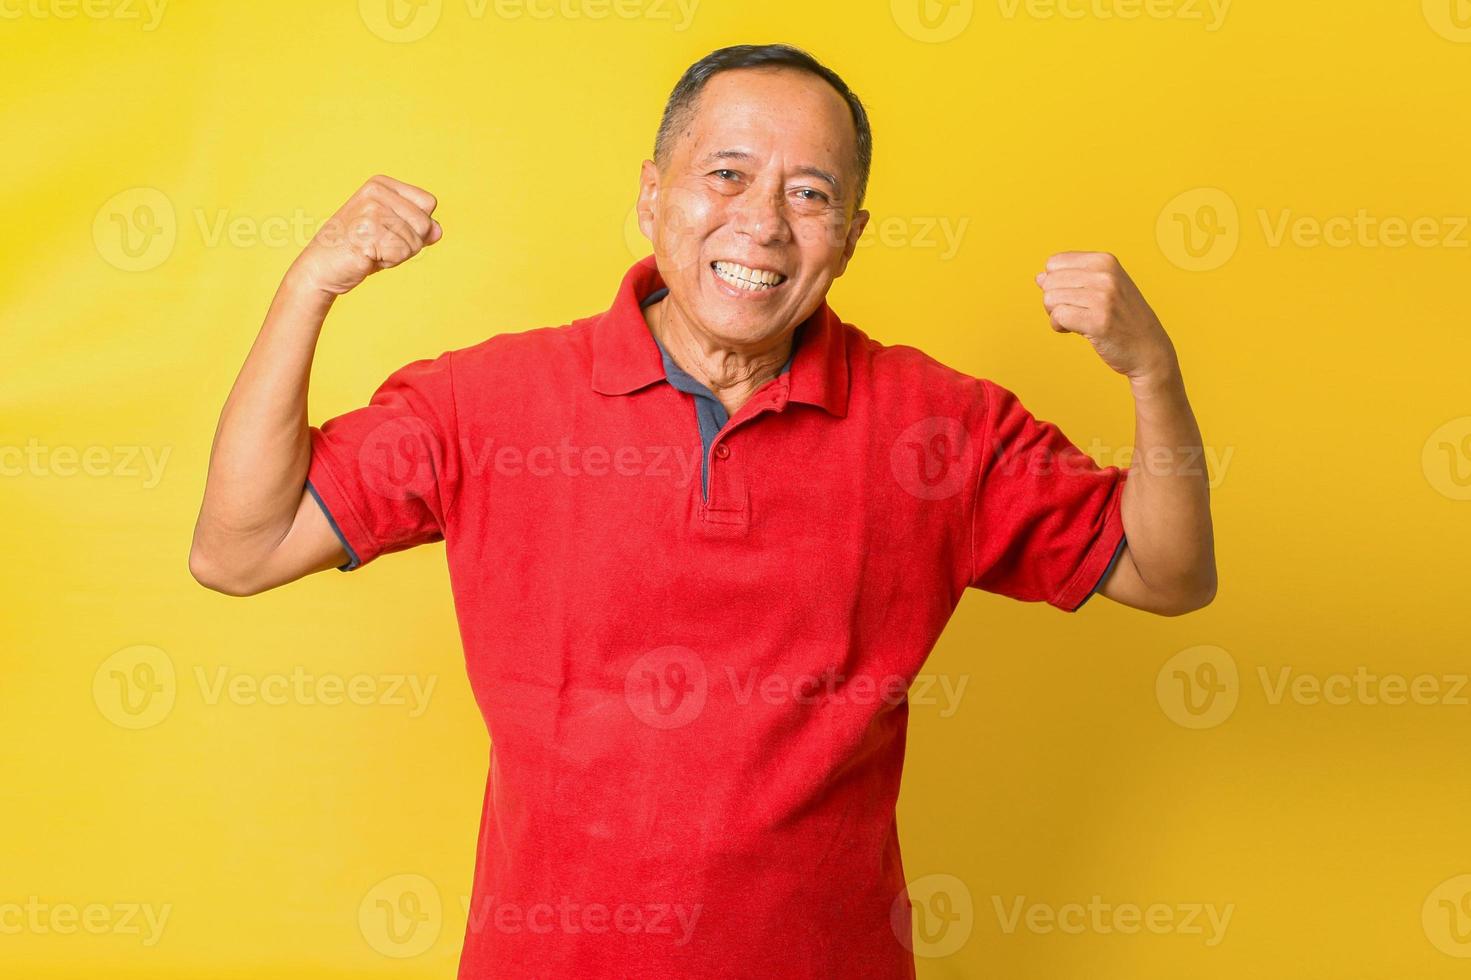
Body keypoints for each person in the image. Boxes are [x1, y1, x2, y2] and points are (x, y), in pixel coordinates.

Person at [189, 43, 1215, 980]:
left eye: (808, 194)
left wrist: (1152, 373)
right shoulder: (489, 402)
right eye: (725, 175)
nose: (762, 222)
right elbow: (241, 547)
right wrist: (310, 283)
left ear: (850, 238)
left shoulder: (939, 426)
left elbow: (1168, 574)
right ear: (651, 193)